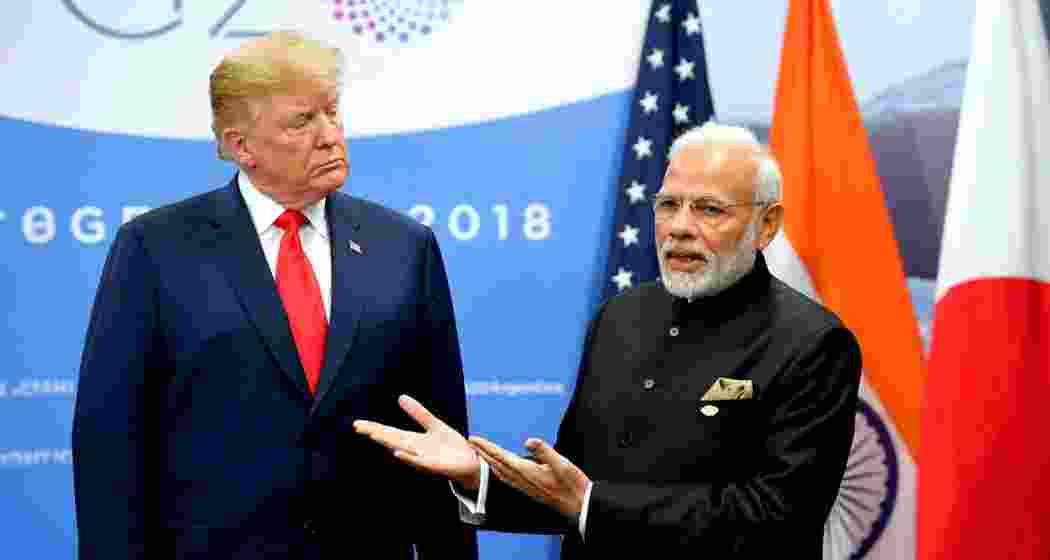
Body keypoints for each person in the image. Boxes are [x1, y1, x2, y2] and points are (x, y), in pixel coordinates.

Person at [354, 122, 862, 557]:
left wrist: (593, 505)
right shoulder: (621, 316)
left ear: (766, 223)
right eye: (668, 205)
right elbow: (570, 484)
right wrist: (478, 475)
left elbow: (775, 517)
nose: (680, 228)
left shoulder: (813, 343)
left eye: (709, 210)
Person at [72, 31, 476, 560]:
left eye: (332, 112)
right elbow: (111, 447)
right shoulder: (155, 249)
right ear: (241, 146)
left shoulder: (404, 247)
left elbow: (439, 437)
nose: (331, 135)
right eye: (302, 121)